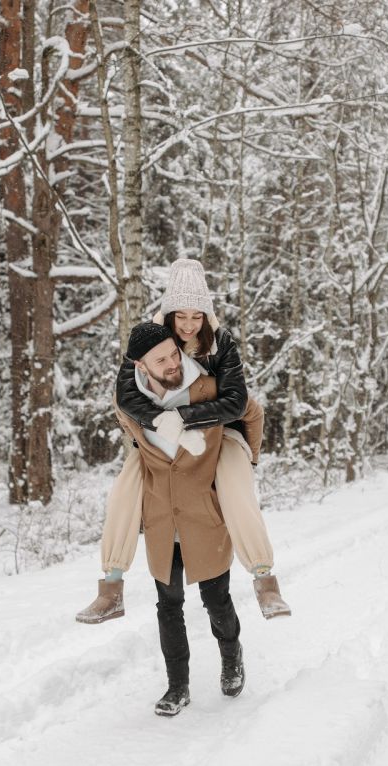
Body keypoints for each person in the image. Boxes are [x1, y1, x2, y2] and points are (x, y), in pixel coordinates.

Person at [75, 258, 290, 626]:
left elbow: (237, 402)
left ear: (206, 315)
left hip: (222, 432)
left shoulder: (221, 344)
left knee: (234, 487)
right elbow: (126, 395)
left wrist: (186, 418)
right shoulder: (152, 340)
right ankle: (111, 588)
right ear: (169, 313)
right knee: (125, 489)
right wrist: (162, 422)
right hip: (162, 435)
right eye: (181, 316)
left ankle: (264, 578)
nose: (189, 325)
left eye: (197, 316)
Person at [111, 321, 245, 716]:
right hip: (161, 519)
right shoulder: (131, 402)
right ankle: (177, 686)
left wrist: (244, 464)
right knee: (168, 606)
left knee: (215, 600)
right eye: (161, 359)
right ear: (140, 365)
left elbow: (247, 412)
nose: (172, 363)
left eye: (174, 353)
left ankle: (232, 656)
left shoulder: (207, 386)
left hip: (205, 514)